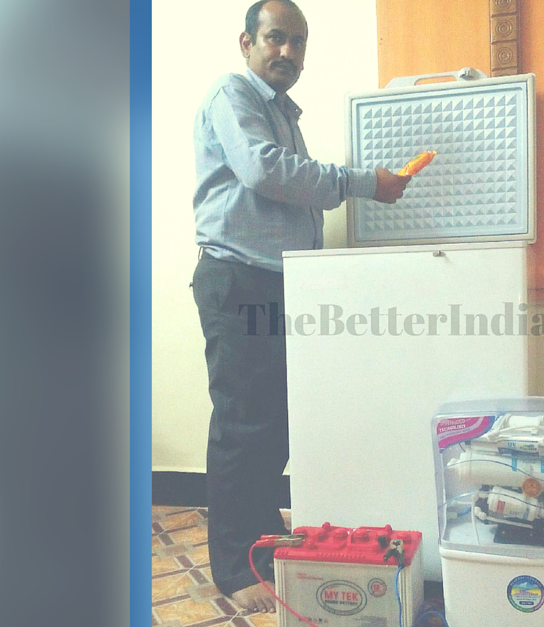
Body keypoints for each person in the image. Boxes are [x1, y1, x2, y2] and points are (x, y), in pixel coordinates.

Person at [190, 0, 410, 614]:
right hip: (237, 280)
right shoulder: (231, 94)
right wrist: (365, 182)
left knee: (276, 423)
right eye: (276, 38)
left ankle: (264, 543)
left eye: (299, 43)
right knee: (243, 424)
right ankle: (234, 567)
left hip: (280, 283)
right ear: (247, 43)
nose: (288, 52)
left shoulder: (285, 113)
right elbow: (265, 172)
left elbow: (288, 189)